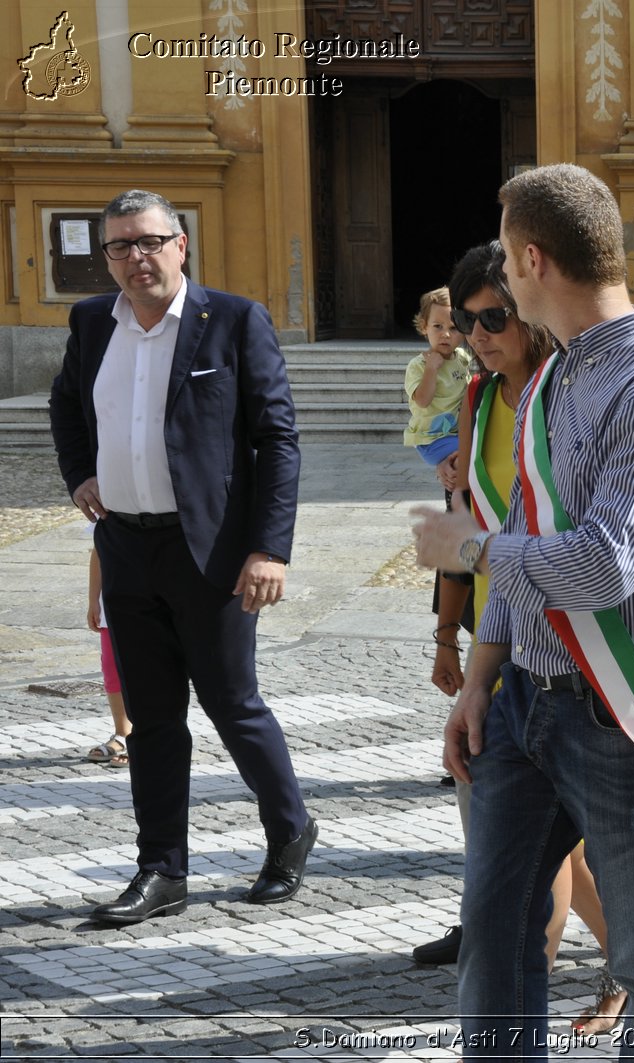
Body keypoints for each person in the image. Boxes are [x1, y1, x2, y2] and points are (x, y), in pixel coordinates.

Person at [412, 163, 634, 1060]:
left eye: (506, 264)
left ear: (534, 259)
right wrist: (480, 677)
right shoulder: (558, 374)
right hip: (528, 694)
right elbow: (528, 526)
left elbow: (602, 568)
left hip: (627, 700)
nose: (500, 284)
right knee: (497, 928)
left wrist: (466, 550)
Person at [48, 189, 314, 925]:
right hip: (126, 546)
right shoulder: (90, 322)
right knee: (152, 716)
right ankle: (162, 867)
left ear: (181, 243)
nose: (137, 257)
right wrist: (80, 474)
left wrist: (269, 548)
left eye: (149, 241)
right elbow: (66, 403)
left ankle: (289, 831)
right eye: (120, 247)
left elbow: (278, 438)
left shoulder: (230, 320)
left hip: (212, 550)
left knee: (233, 702)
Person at [403, 286, 473, 479]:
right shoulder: (418, 365)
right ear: (424, 326)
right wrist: (431, 369)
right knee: (470, 454)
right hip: (431, 439)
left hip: (456, 432)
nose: (446, 334)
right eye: (437, 326)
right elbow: (423, 401)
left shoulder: (462, 358)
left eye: (453, 328)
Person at [84, 542, 130, 767]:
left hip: (156, 596)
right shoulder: (106, 505)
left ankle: (144, 737)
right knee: (112, 670)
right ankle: (123, 734)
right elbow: (99, 550)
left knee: (150, 670)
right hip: (113, 599)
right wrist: (93, 599)